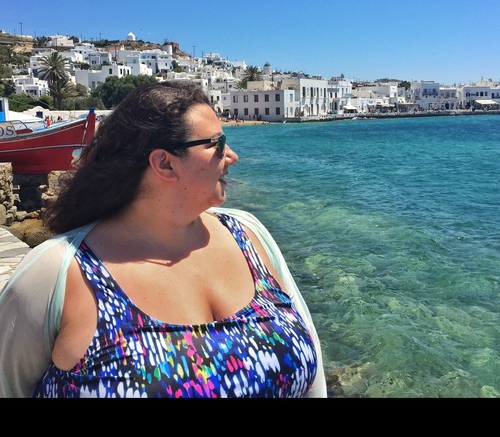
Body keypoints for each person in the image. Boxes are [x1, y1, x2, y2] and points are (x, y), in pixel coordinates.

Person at [0, 80, 326, 398]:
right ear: (165, 163)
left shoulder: (250, 235)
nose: (232, 156)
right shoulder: (59, 269)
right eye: (217, 144)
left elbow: (314, 382)